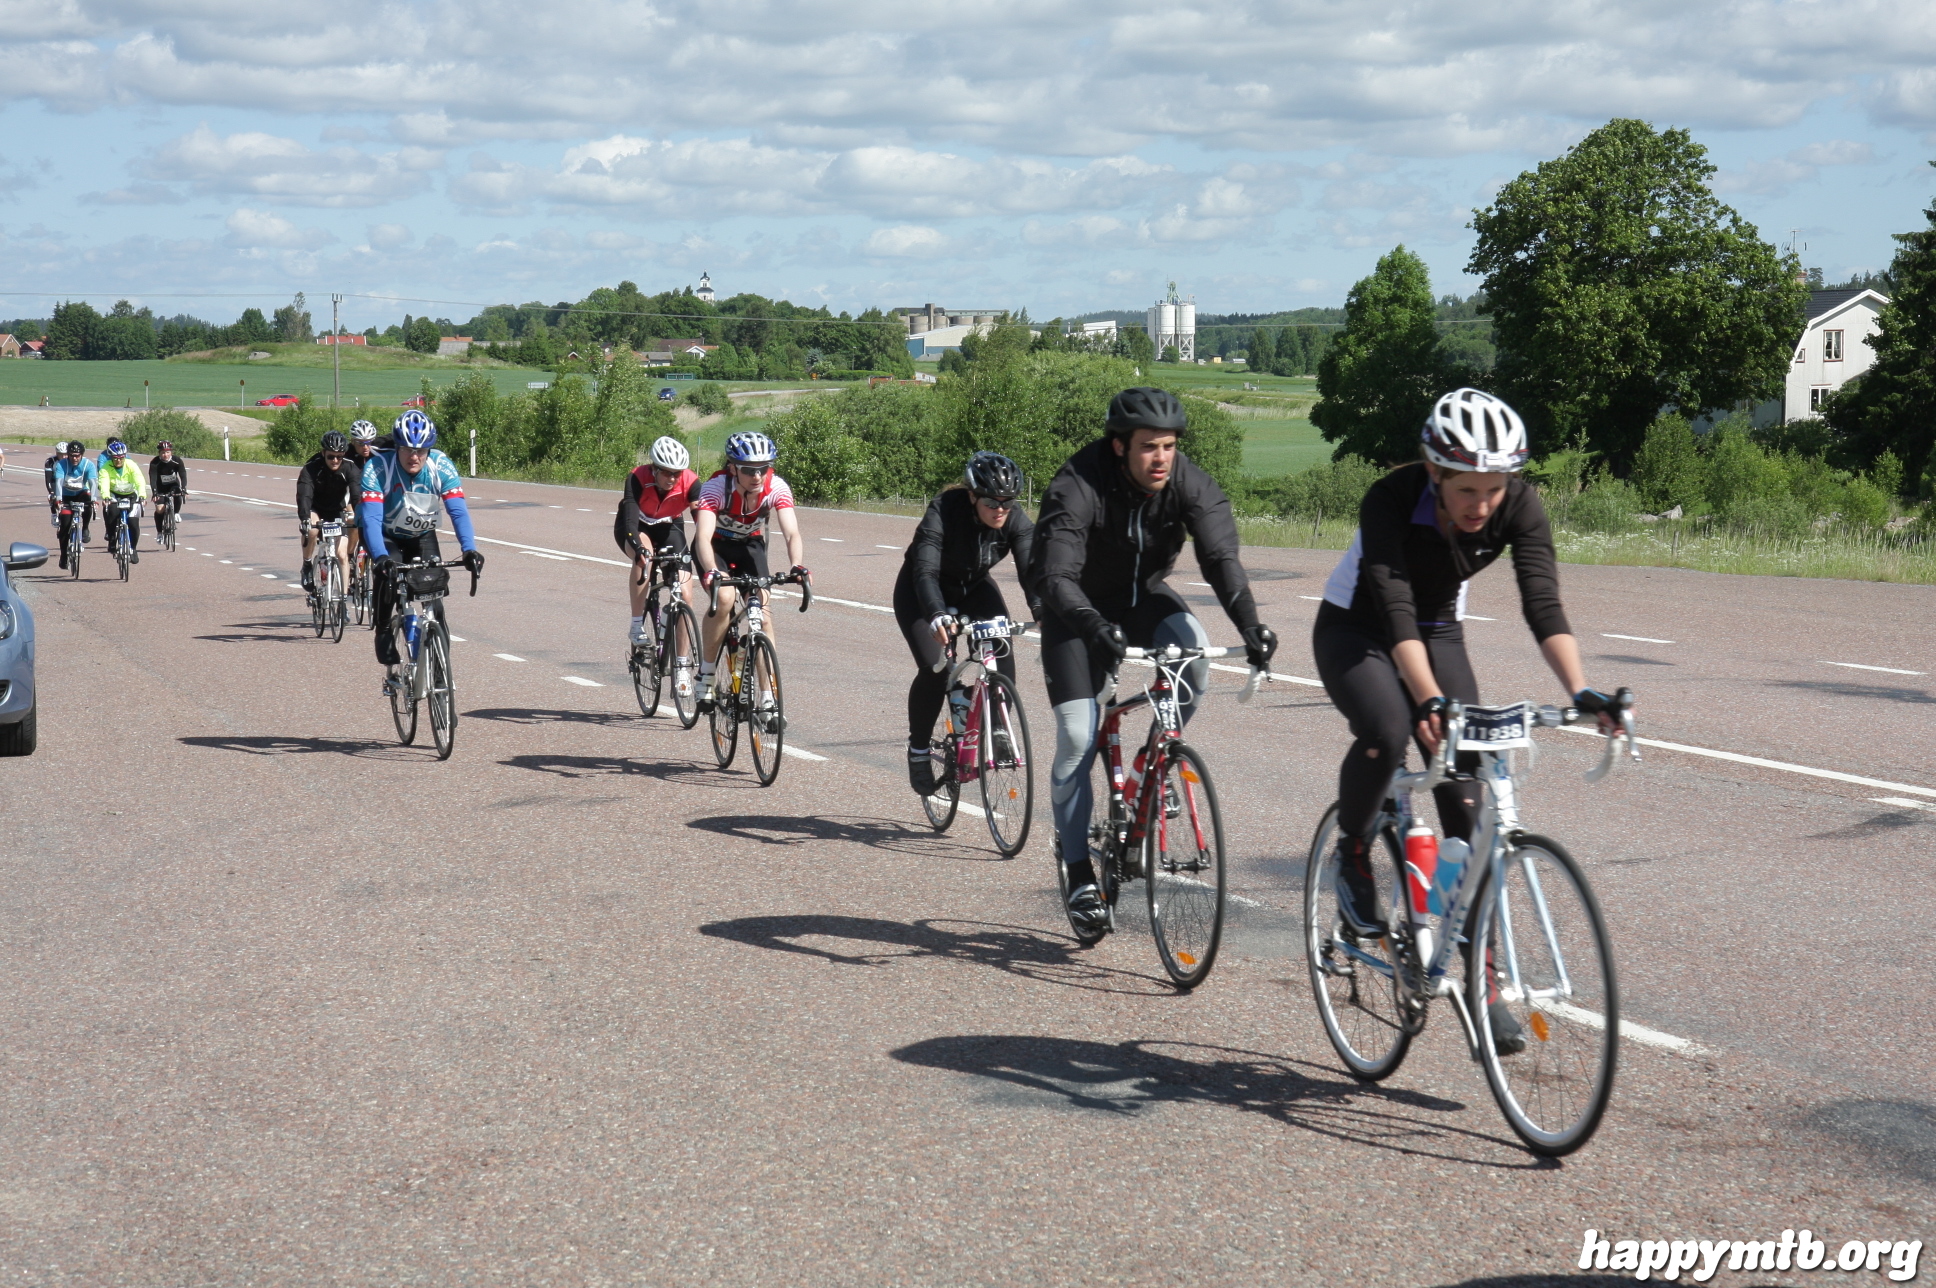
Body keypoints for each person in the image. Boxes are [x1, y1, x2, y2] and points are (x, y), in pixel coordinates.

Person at [1313, 387, 1625, 1052]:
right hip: (1357, 629)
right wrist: (1427, 700)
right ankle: (1352, 853)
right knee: (1389, 729)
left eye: (1494, 489)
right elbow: (1394, 608)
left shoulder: (1519, 504)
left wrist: (1582, 690)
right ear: (1435, 472)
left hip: (1439, 629)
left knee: (1467, 799)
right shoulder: (1390, 499)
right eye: (1466, 491)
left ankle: (1483, 982)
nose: (1482, 505)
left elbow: (1542, 602)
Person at [1031, 387, 1278, 936]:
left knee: (1195, 658)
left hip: (1143, 599)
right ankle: (1078, 871)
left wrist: (1249, 624)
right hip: (1076, 611)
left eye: (1168, 446)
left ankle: (1152, 762)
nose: (1161, 457)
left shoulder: (1188, 481)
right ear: (1120, 446)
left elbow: (1220, 556)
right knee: (1078, 736)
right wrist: (1092, 625)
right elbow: (1055, 574)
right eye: (1149, 447)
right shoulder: (1079, 482)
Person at [895, 451, 1041, 796]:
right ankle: (918, 750)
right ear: (973, 496)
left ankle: (998, 726)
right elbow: (925, 571)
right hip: (922, 591)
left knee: (1001, 644)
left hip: (974, 588)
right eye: (991, 502)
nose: (1000, 509)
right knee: (936, 668)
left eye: (1008, 502)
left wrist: (1043, 609)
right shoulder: (944, 510)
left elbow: (1033, 570)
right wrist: (936, 614)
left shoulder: (1015, 519)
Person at [358, 411, 485, 673]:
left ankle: (439, 669)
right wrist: (380, 557)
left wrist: (469, 549)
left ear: (429, 449)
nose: (414, 456)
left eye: (421, 450)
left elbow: (458, 511)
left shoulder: (441, 465)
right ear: (397, 447)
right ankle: (383, 629)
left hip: (421, 533)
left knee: (434, 594)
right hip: (384, 534)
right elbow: (371, 518)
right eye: (407, 449)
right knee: (388, 574)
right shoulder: (378, 467)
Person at [690, 431, 808, 712]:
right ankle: (706, 674)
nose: (757, 476)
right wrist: (711, 570)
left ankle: (767, 696)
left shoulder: (776, 487)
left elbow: (792, 533)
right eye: (748, 470)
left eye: (763, 468)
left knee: (763, 614)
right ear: (733, 468)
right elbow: (702, 537)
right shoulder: (715, 488)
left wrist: (796, 565)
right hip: (716, 546)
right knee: (725, 599)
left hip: (749, 546)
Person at [616, 436, 703, 684]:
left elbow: (702, 520)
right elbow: (630, 519)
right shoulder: (637, 477)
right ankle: (636, 625)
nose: (672, 479)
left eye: (677, 473)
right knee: (644, 558)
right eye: (666, 472)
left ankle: (682, 664)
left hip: (669, 525)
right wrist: (638, 548)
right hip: (637, 525)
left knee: (685, 594)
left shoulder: (691, 481)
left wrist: (706, 547)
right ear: (654, 468)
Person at [297, 430, 361, 596]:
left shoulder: (350, 467)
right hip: (316, 508)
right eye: (331, 456)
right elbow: (304, 495)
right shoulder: (311, 468)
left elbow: (356, 493)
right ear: (323, 453)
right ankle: (307, 564)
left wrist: (361, 514)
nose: (335, 461)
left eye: (339, 457)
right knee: (311, 530)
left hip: (337, 510)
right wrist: (304, 518)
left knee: (342, 555)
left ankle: (343, 600)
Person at [96, 440, 150, 560]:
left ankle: (133, 548)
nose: (118, 461)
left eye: (121, 458)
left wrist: (142, 495)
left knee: (133, 523)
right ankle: (112, 539)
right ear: (111, 457)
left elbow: (139, 480)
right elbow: (104, 483)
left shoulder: (131, 465)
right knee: (111, 512)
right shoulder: (105, 468)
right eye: (115, 458)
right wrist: (106, 497)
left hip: (130, 494)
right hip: (114, 494)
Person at [48, 441, 98, 568]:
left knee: (88, 502)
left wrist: (94, 499)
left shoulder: (88, 465)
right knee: (65, 526)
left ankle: (85, 528)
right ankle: (63, 555)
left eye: (77, 456)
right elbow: (59, 482)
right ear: (68, 455)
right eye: (71, 455)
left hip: (81, 493)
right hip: (65, 495)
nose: (74, 458)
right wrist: (58, 499)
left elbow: (93, 483)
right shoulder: (61, 464)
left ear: (82, 455)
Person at [147, 440, 190, 545]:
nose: (165, 455)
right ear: (159, 453)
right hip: (160, 488)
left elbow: (183, 475)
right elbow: (153, 479)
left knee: (178, 493)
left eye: (167, 452)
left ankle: (176, 513)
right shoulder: (155, 463)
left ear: (171, 452)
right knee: (159, 509)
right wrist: (155, 492)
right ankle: (159, 533)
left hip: (173, 485)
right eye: (162, 453)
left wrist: (184, 488)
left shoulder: (177, 461)